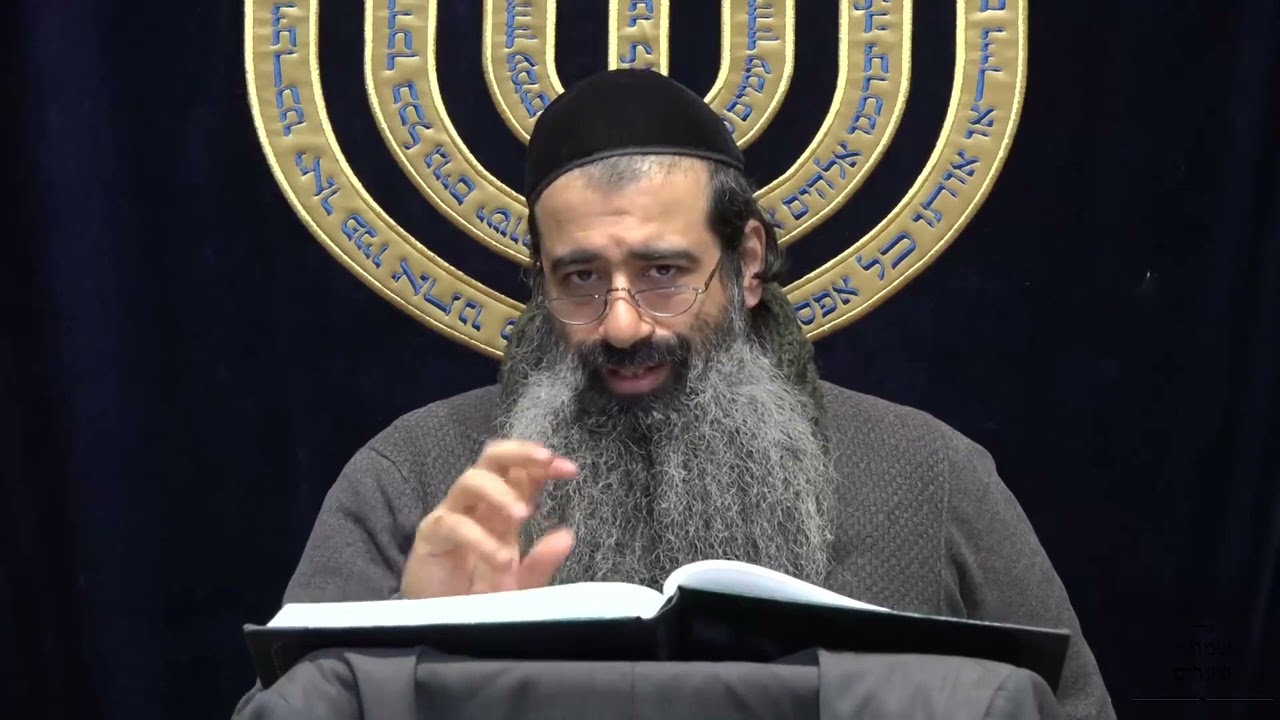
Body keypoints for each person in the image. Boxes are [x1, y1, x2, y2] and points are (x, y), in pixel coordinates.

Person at [243, 69, 1115, 719]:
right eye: (581, 278)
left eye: (664, 272)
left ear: (745, 264)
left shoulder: (930, 472)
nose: (622, 324)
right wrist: (407, 640)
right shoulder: (414, 475)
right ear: (539, 281)